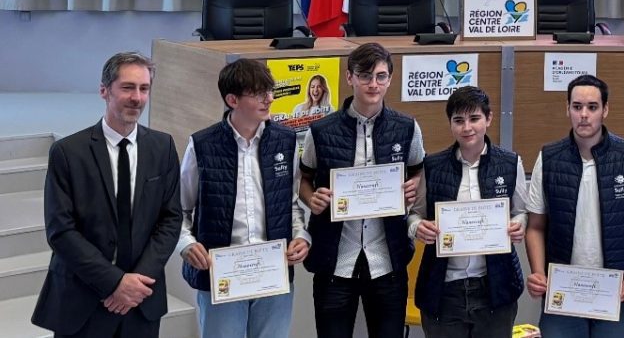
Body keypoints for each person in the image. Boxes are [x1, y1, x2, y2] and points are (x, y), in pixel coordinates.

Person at [32, 52, 182, 337]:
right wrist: (114, 284)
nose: (136, 97)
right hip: (83, 300)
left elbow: (170, 218)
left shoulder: (162, 147)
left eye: (144, 88)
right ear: (104, 90)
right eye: (127, 87)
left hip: (141, 300)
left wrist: (134, 286)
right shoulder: (68, 153)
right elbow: (60, 231)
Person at [299, 42, 425, 338]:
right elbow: (304, 179)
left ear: (390, 80)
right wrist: (311, 198)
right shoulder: (320, 131)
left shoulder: (407, 128)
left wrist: (413, 187)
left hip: (387, 260)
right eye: (365, 75)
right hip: (335, 261)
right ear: (349, 77)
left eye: (381, 76)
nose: (373, 84)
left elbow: (419, 169)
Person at [177, 58, 311, 337]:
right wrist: (186, 244)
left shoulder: (285, 141)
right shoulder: (202, 144)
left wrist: (301, 237)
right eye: (258, 93)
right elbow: (179, 209)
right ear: (232, 100)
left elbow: (291, 204)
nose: (269, 99)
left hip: (274, 273)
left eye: (270, 91)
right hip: (221, 273)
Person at [525, 74, 624, 338]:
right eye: (577, 107)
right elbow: (535, 227)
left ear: (605, 110)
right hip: (563, 289)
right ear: (568, 110)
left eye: (592, 107)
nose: (584, 115)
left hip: (615, 290)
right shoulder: (549, 158)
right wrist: (539, 273)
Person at [408, 86, 527, 337]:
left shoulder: (510, 163)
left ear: (489, 119)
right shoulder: (432, 166)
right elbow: (414, 214)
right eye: (458, 121)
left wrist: (519, 224)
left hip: (494, 288)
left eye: (474, 119)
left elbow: (521, 211)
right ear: (450, 124)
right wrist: (418, 227)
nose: (467, 128)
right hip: (444, 289)